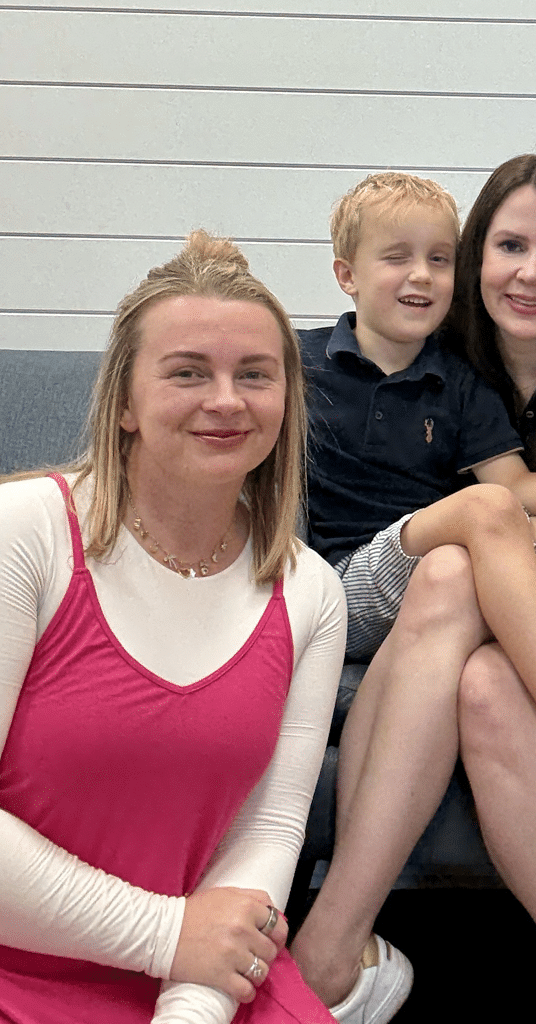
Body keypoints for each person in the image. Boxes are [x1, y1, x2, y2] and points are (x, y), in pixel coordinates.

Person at [291, 170, 536, 1023]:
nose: (531, 272)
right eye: (509, 246)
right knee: (472, 646)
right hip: (396, 584)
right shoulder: (387, 359)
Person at [0, 231, 347, 1023]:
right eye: (188, 372)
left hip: (203, 979)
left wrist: (189, 1007)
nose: (226, 400)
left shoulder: (311, 591)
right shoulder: (23, 533)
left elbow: (268, 833)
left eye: (254, 374)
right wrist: (165, 935)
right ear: (124, 402)